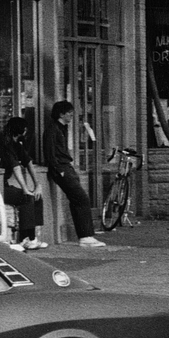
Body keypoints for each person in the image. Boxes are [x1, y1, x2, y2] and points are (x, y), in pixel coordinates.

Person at [43, 101, 104, 247]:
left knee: (79, 199)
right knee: (81, 199)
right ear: (61, 114)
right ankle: (85, 236)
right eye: (69, 113)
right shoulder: (53, 129)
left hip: (66, 167)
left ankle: (86, 235)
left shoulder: (62, 128)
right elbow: (50, 152)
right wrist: (59, 170)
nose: (71, 116)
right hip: (62, 168)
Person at [0, 116, 45, 250]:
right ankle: (26, 238)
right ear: (22, 130)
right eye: (25, 129)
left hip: (5, 185)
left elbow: (28, 162)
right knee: (26, 198)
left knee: (37, 197)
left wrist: (37, 185)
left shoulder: (16, 145)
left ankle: (35, 237)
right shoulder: (5, 144)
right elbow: (15, 167)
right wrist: (25, 188)